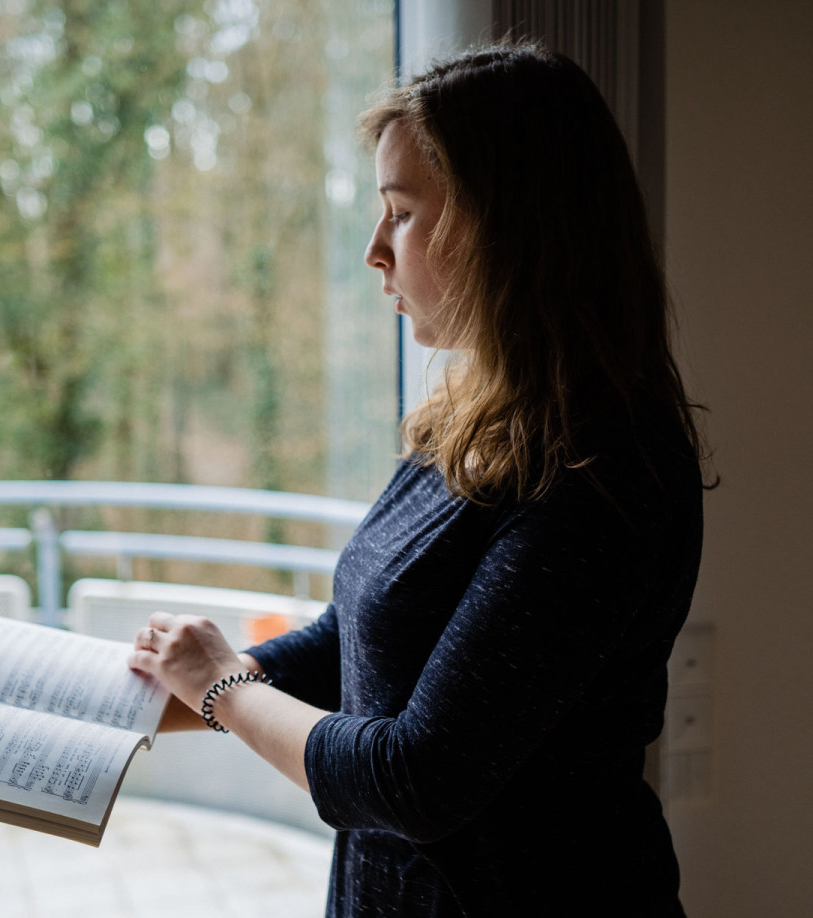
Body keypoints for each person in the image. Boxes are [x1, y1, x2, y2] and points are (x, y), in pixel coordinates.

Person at [128, 41, 709, 918]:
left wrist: (219, 685)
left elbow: (416, 779)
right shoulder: (471, 421)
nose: (373, 250)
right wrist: (171, 688)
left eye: (400, 212)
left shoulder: (603, 468)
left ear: (506, 225)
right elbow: (365, 637)